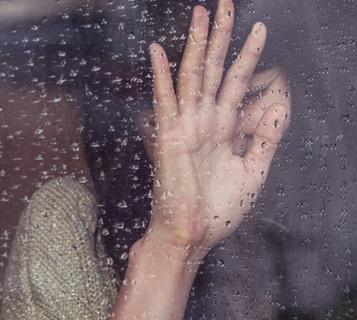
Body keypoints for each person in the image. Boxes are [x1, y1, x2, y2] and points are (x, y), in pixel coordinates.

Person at [1, 0, 291, 319]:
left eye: (248, 97)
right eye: (194, 105)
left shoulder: (309, 240)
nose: (219, 126)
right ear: (148, 124)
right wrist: (174, 244)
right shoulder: (69, 226)